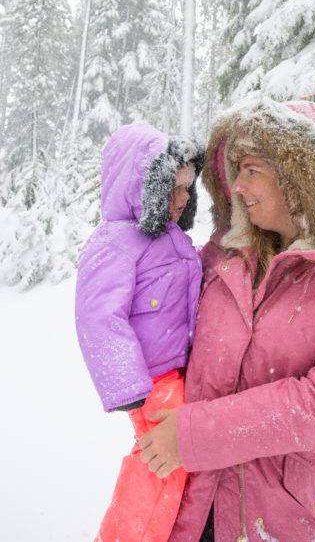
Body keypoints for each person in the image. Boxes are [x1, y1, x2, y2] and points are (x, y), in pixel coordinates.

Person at [138, 98, 315, 542]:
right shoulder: (221, 257)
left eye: (251, 170)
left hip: (283, 520)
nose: (236, 186)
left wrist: (193, 435)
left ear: (300, 176)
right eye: (234, 170)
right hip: (192, 508)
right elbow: (162, 322)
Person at [75, 123, 204, 542]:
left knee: (174, 455)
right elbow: (98, 316)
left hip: (180, 370)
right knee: (164, 462)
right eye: (174, 189)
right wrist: (130, 385)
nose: (183, 198)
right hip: (153, 378)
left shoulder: (173, 239)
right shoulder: (115, 242)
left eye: (188, 188)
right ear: (143, 187)